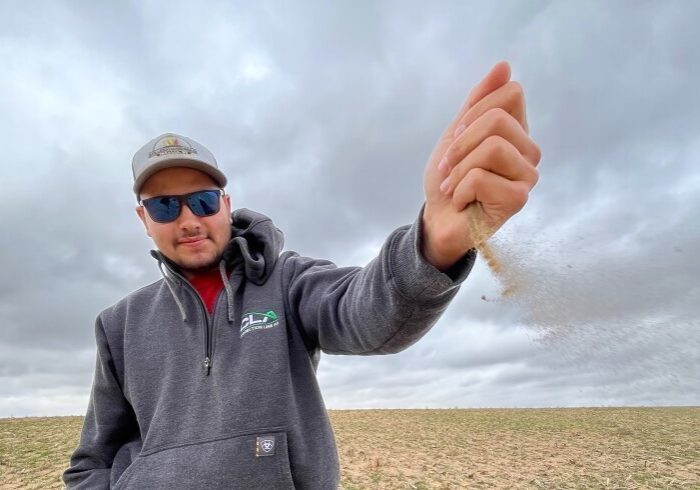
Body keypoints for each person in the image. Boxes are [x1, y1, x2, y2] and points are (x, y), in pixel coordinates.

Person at [61, 61, 540, 489]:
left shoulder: (287, 282)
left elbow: (365, 314)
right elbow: (91, 461)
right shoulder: (120, 325)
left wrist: (435, 240)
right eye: (164, 206)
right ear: (143, 220)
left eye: (203, 200)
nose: (188, 220)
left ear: (226, 206)